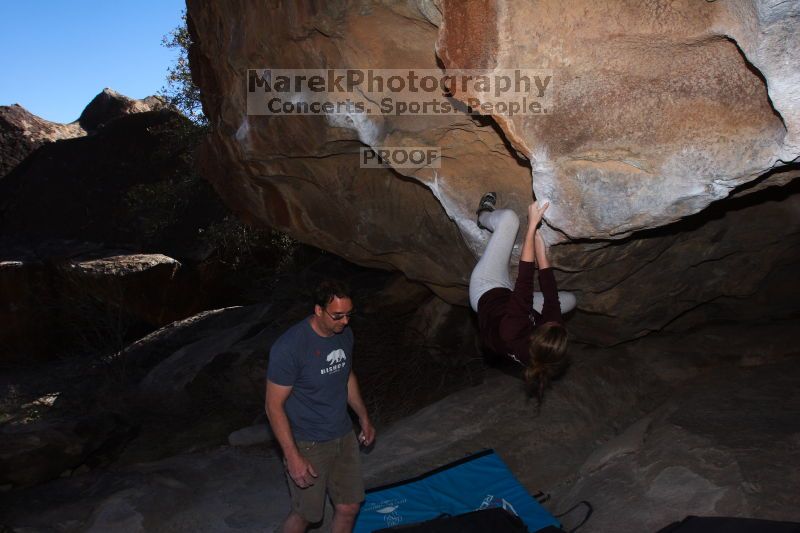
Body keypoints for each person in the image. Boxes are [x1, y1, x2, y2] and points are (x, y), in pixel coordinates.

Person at [266, 280, 375, 533]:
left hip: (343, 436)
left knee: (349, 507)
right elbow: (273, 406)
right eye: (338, 315)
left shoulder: (344, 334)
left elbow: (346, 376)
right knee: (307, 515)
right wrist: (292, 456)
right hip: (308, 442)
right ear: (318, 310)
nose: (345, 322)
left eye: (349, 315)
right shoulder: (289, 347)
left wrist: (364, 418)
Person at [469, 192, 577, 403]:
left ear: (536, 334)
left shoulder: (513, 332)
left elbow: (525, 282)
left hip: (487, 289)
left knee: (510, 219)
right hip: (512, 306)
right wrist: (543, 255)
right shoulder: (544, 347)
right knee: (570, 300)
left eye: (548, 324)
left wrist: (531, 227)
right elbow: (552, 301)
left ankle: (482, 216)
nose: (552, 321)